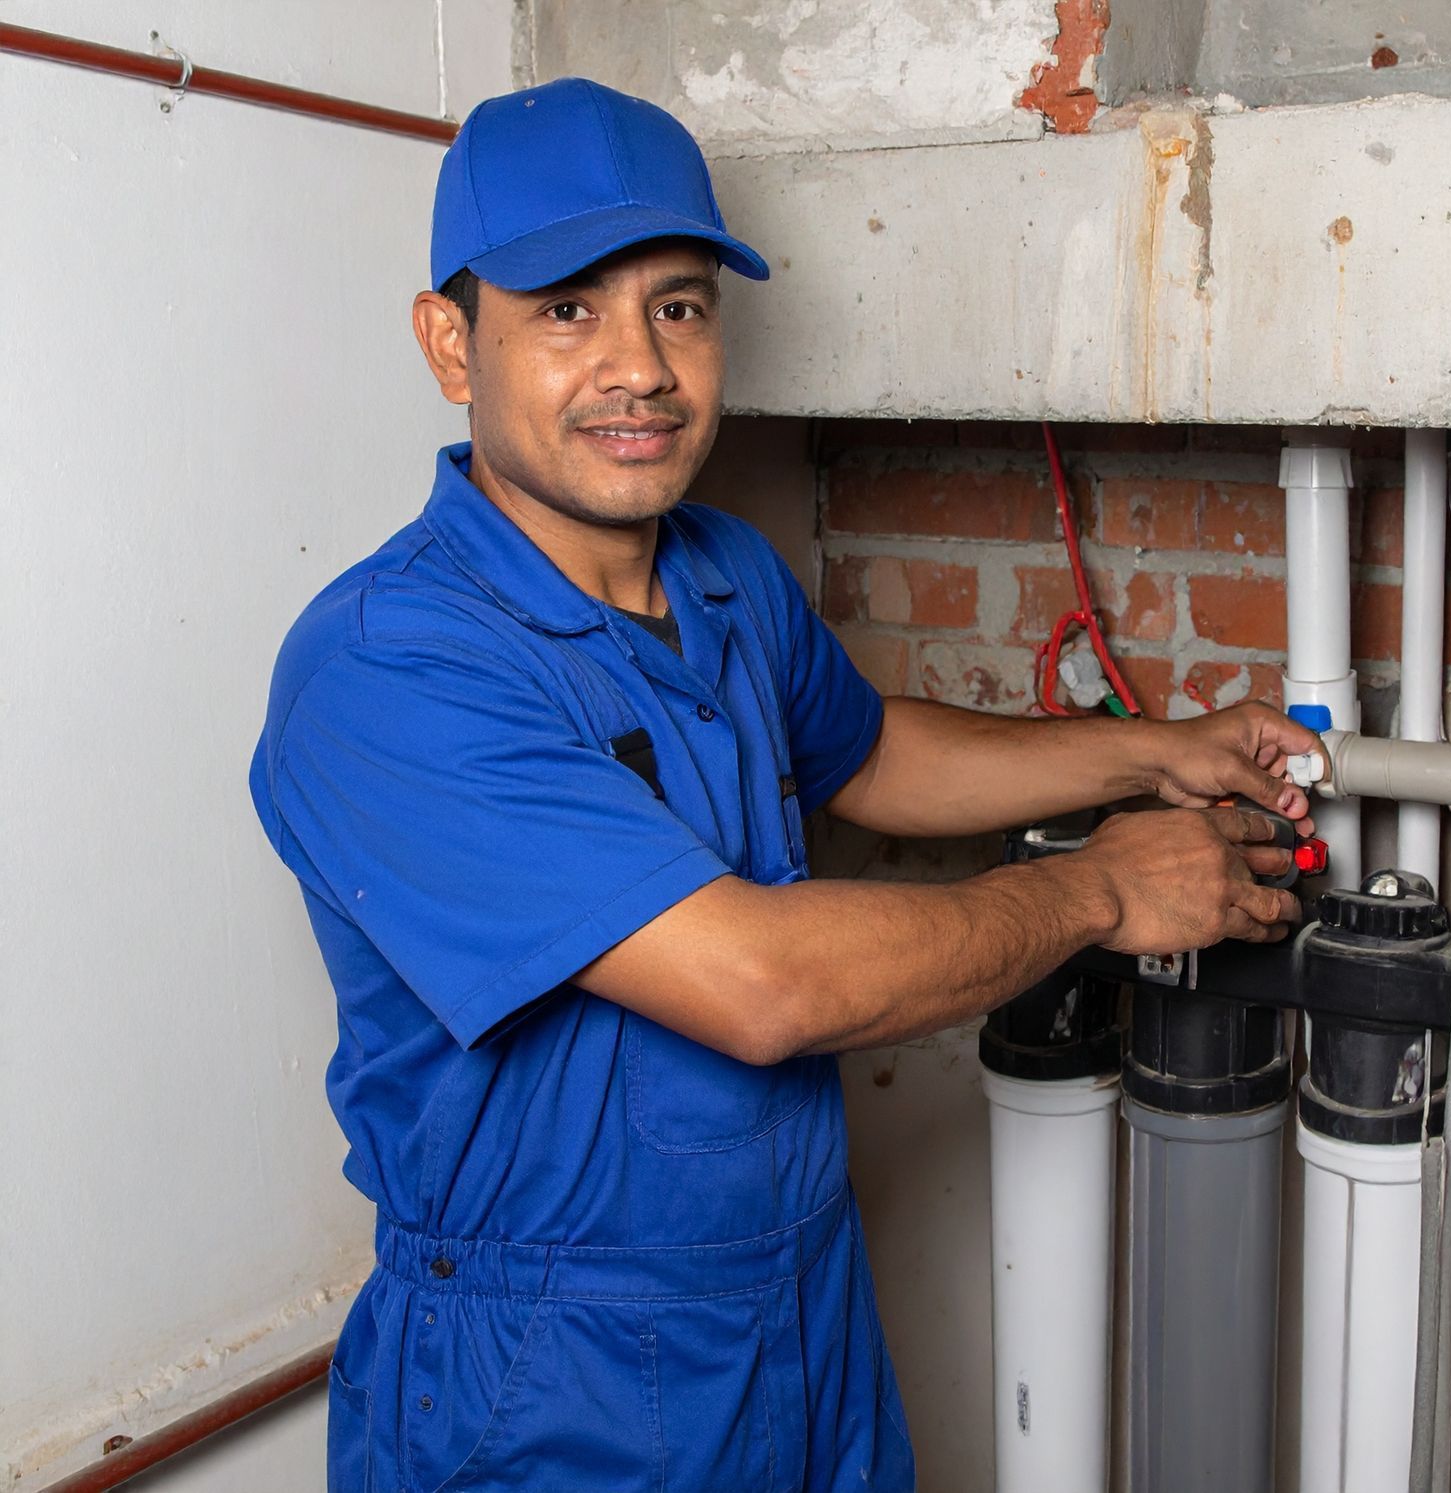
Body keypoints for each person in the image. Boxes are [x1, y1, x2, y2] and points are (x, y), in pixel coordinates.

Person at [250, 75, 1318, 1493]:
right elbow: (765, 986)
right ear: (451, 343)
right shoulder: (388, 669)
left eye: (677, 306)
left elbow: (869, 749)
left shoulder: (724, 573)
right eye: (567, 309)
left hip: (803, 1307)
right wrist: (1104, 886)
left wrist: (1152, 747)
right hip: (548, 1381)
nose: (640, 366)